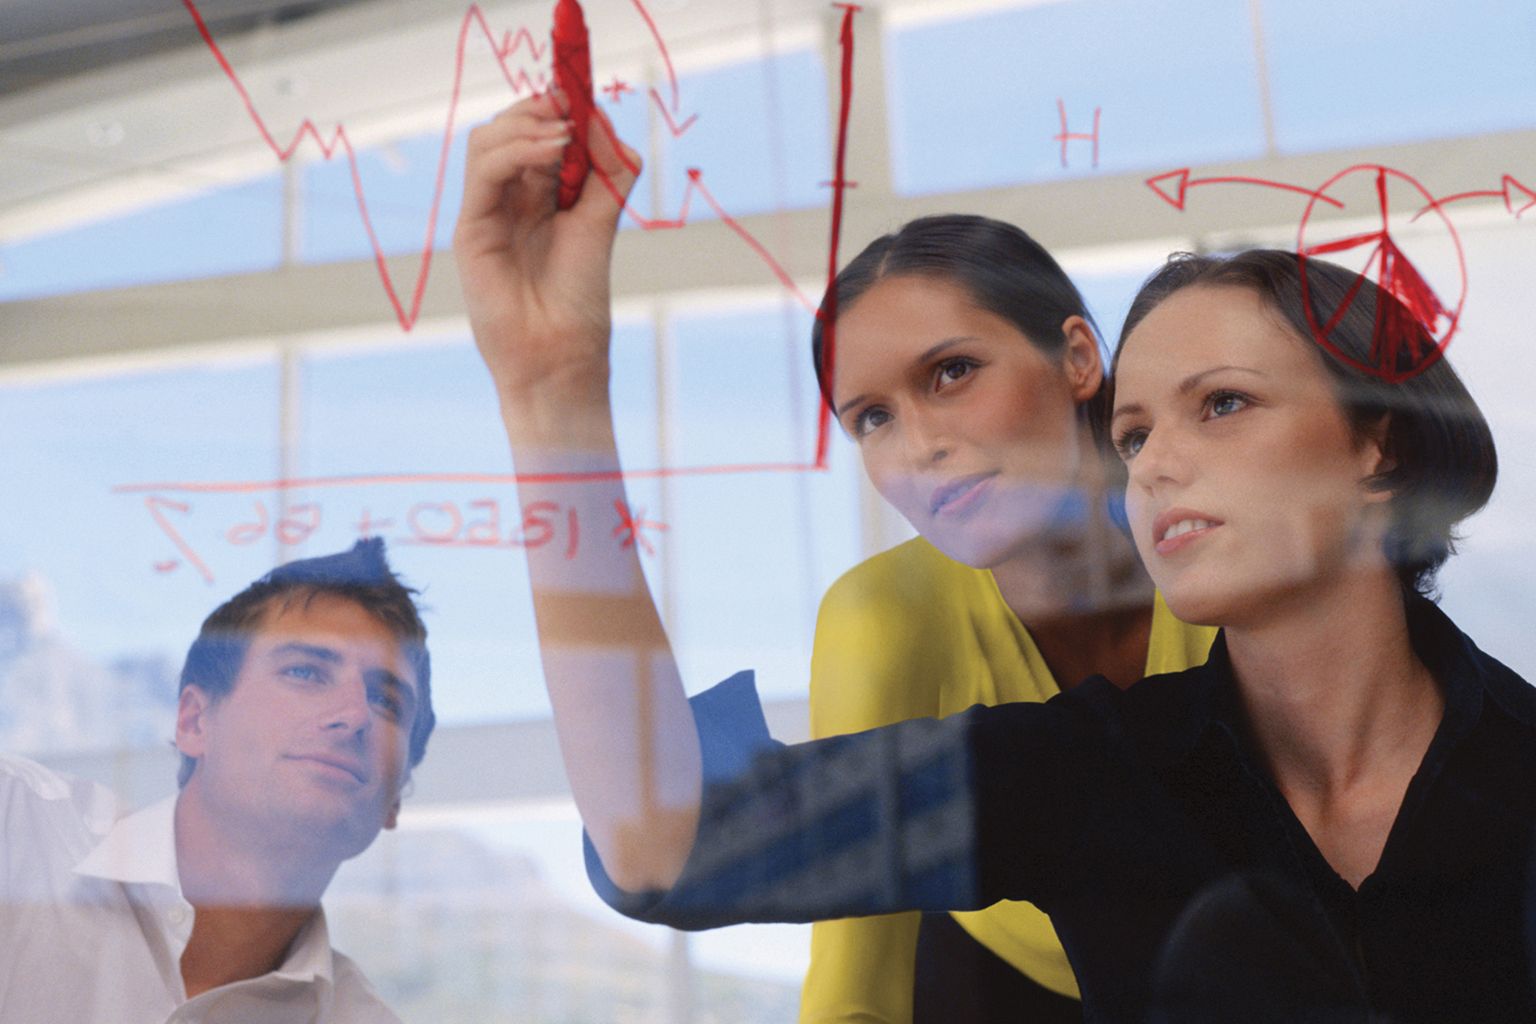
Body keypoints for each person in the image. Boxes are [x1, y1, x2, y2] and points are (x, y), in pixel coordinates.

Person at [455, 92, 1536, 1022]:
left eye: (1223, 404)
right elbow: (663, 843)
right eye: (1139, 434)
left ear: (1377, 441)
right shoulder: (1087, 774)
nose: (1155, 465)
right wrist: (553, 396)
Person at [803, 214, 1215, 1023]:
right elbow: (853, 976)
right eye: (872, 419)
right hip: (997, 986)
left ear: (1078, 358)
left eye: (952, 372)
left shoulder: (1224, 548)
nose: (918, 444)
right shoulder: (880, 620)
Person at [0, 539, 436, 1023]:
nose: (354, 715)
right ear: (194, 721)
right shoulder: (13, 831)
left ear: (396, 799)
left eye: (388, 703)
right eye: (306, 672)